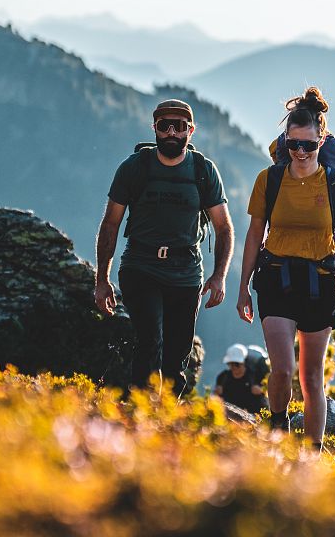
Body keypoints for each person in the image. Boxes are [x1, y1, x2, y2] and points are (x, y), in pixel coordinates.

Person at [237, 87, 335, 452]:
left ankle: (312, 456)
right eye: (294, 145)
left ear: (322, 140)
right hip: (276, 278)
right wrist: (244, 287)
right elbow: (253, 235)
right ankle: (277, 428)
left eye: (308, 145)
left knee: (311, 379)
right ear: (285, 142)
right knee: (282, 369)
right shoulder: (270, 180)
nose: (301, 152)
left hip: (321, 283)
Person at [94, 98, 234, 398]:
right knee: (150, 339)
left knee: (177, 354)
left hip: (186, 272)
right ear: (154, 128)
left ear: (190, 131)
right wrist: (101, 280)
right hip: (140, 266)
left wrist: (219, 275)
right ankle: (140, 413)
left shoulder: (203, 171)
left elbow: (223, 227)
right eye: (164, 126)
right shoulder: (133, 168)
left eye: (179, 127)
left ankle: (169, 420)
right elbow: (110, 225)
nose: (171, 132)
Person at [214, 343, 267, 414]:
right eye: (230, 364)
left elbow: (267, 393)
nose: (233, 367)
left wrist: (261, 391)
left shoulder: (255, 376)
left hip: (254, 418)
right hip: (229, 419)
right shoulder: (223, 377)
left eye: (236, 364)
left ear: (244, 362)